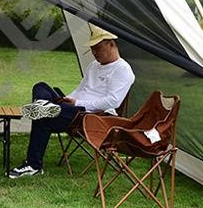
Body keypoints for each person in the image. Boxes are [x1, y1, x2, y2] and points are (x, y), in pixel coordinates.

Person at [9, 26, 135, 179]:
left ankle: (34, 165)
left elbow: (113, 101)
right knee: (41, 86)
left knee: (43, 119)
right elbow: (81, 88)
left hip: (92, 116)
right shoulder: (93, 66)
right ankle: (45, 106)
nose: (94, 53)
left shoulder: (122, 69)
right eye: (92, 49)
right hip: (74, 108)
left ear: (111, 44)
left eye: (98, 48)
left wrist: (76, 103)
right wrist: (67, 99)